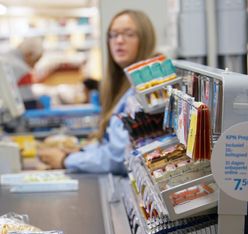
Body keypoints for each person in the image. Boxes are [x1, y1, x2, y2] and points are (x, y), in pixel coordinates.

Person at [39, 9, 157, 174]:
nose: (119, 41)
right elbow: (111, 146)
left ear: (145, 39)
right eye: (113, 35)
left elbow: (118, 158)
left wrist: (66, 160)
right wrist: (81, 152)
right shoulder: (122, 85)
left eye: (129, 34)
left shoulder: (145, 89)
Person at [1, 37, 43, 109]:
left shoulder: (4, 57)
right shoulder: (22, 68)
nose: (34, 66)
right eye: (36, 60)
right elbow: (28, 101)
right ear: (29, 54)